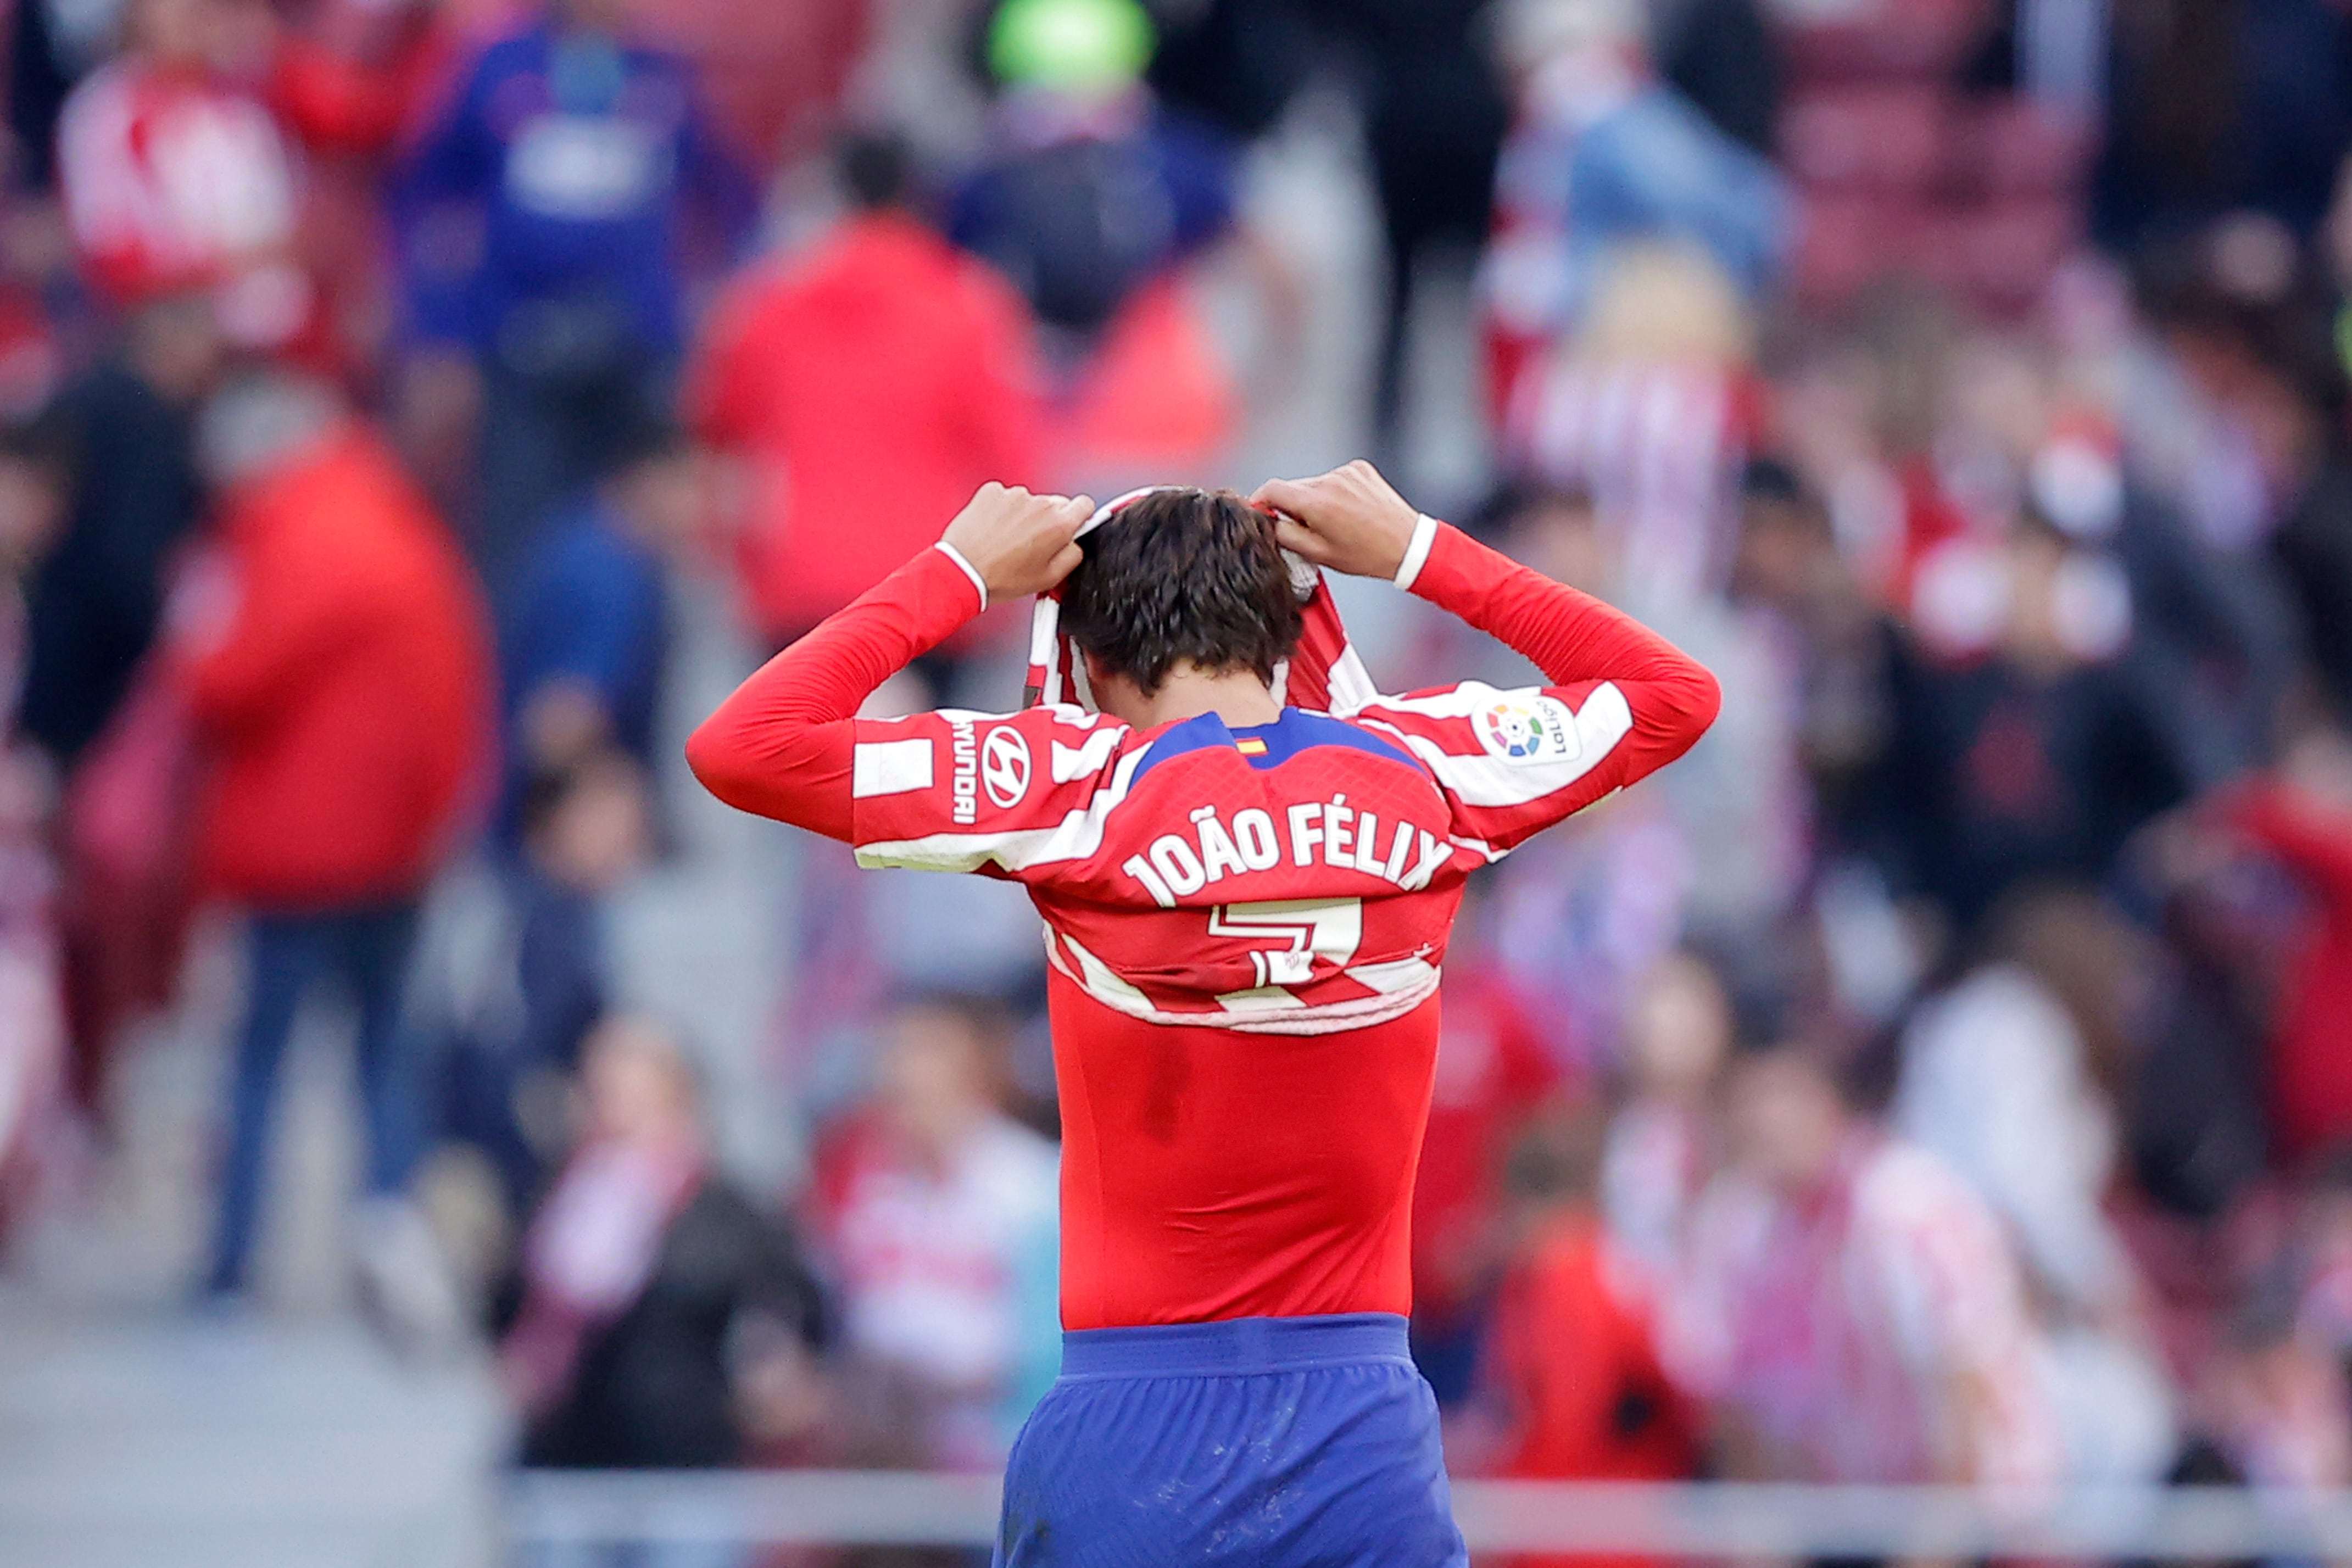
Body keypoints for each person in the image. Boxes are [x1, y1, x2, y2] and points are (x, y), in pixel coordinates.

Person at [686, 464, 1718, 1564]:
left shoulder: (1071, 787)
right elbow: (1671, 692)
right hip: (1357, 1431)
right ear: (1286, 631)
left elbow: (742, 744)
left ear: (1086, 659)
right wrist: (1416, 549)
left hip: (1127, 1437)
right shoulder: (1426, 769)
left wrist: (955, 573)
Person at [169, 374, 491, 1310]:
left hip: (297, 849)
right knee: (384, 1059)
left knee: (258, 1062)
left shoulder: (295, 536)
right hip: (395, 845)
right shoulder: (394, 521)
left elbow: (223, 680)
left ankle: (230, 1263)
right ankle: (385, 1251)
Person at [398, 0, 754, 572]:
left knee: (635, 539)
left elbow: (730, 196)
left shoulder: (660, 73)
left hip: (632, 351)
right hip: (519, 345)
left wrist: (705, 305)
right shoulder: (497, 67)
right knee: (519, 536)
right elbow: (426, 198)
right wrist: (440, 333)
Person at [686, 132, 1043, 649]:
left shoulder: (769, 301)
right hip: (934, 582)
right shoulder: (967, 304)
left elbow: (716, 426)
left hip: (799, 578)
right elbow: (1010, 454)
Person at [501, 1015, 828, 1477]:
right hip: (567, 1448)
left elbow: (773, 1297)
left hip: (684, 1453)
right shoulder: (555, 1197)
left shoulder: (721, 1205)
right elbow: (512, 1300)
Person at [809, 995, 1060, 1467]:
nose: (903, 1075)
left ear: (974, 1076)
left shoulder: (1033, 1186)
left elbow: (1046, 1347)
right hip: (889, 1453)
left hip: (1004, 1455)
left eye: (925, 1058)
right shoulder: (873, 1188)